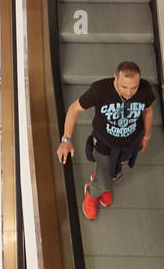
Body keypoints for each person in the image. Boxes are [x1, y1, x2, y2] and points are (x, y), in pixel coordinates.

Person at [57, 60, 154, 221]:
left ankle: (103, 178)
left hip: (130, 143)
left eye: (133, 87)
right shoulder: (99, 90)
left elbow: (148, 111)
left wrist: (146, 136)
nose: (129, 93)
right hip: (105, 143)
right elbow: (74, 110)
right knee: (104, 179)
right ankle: (92, 192)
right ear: (115, 78)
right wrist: (66, 139)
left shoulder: (144, 89)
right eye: (124, 87)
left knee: (117, 170)